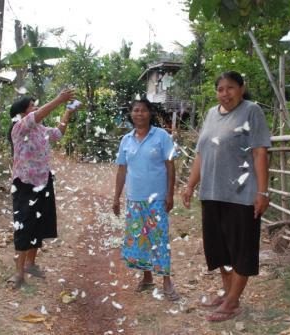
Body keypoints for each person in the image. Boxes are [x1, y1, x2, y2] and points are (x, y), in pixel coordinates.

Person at [182, 71, 271, 321]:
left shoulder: (251, 111)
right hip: (212, 192)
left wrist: (263, 192)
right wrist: (190, 185)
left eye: (230, 88)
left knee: (241, 249)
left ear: (241, 88)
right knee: (220, 249)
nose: (225, 94)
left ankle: (232, 302)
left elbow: (259, 153)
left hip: (242, 194)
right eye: (220, 89)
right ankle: (227, 292)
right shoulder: (211, 114)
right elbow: (201, 154)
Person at [7, 89, 76, 289]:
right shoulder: (20, 128)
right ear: (22, 113)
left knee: (38, 224)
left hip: (43, 181)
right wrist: (59, 99)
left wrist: (68, 111)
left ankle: (30, 263)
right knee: (23, 225)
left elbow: (59, 133)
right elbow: (37, 115)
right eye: (31, 106)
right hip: (24, 183)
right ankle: (18, 272)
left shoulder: (40, 129)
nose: (35, 108)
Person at [113, 98, 180, 301]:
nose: (138, 114)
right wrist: (116, 197)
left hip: (157, 199)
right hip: (134, 199)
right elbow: (122, 169)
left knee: (159, 239)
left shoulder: (161, 136)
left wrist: (170, 194)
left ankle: (167, 282)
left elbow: (170, 166)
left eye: (142, 110)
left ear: (150, 113)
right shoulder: (126, 140)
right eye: (135, 110)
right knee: (140, 241)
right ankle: (147, 278)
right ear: (131, 114)